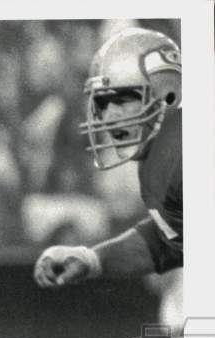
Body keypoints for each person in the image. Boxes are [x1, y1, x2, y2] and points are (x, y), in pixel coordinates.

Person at [33, 27, 182, 287]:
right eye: (103, 102)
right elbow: (174, 239)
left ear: (167, 96)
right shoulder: (156, 162)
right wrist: (92, 258)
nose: (110, 115)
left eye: (123, 100)